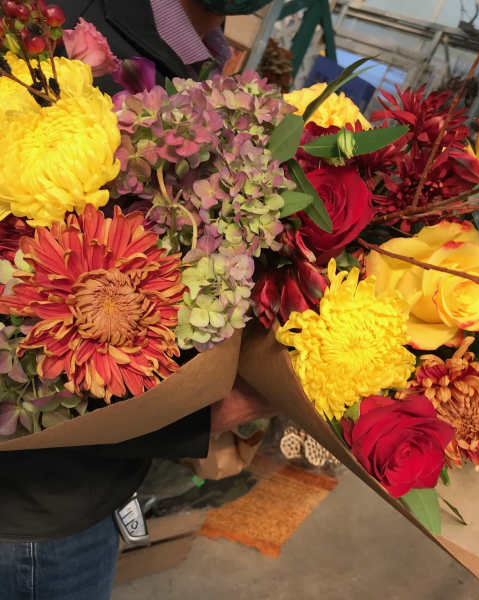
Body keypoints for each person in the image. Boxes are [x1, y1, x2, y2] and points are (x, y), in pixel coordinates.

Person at [0, 1, 274, 599]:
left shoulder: (195, 56)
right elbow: (28, 350)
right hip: (33, 514)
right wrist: (206, 416)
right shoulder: (58, 57)